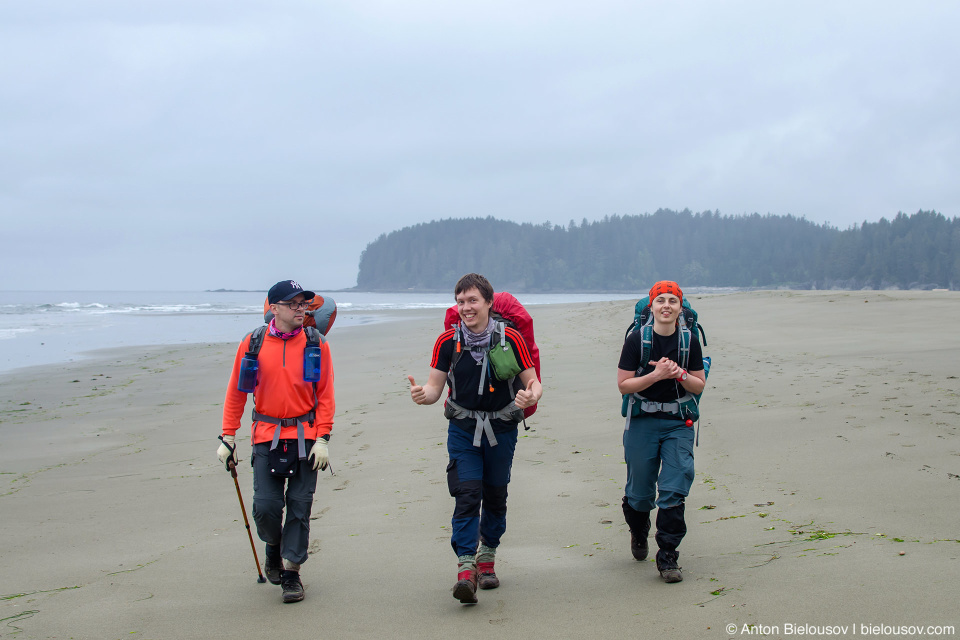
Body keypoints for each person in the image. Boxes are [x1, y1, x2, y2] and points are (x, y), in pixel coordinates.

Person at [408, 273, 542, 604]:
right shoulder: (447, 342)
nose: (466, 307)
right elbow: (435, 388)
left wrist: (530, 396)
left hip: (502, 429)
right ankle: (466, 568)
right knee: (467, 494)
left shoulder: (510, 338)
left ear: (488, 303)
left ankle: (488, 557)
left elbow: (533, 381)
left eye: (473, 301)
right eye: (461, 301)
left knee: (495, 496)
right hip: (463, 429)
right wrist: (422, 395)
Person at [217, 279, 335, 603]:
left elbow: (325, 396)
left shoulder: (317, 343)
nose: (301, 309)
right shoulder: (252, 343)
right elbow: (236, 393)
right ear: (274, 308)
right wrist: (228, 436)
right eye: (294, 304)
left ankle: (292, 573)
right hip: (266, 437)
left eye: (304, 304)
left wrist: (323, 437)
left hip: (306, 437)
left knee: (300, 507)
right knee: (267, 508)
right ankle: (273, 546)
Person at [616, 280, 706, 583]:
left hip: (679, 422)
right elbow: (623, 385)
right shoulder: (636, 340)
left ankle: (668, 556)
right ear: (651, 307)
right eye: (660, 301)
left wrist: (678, 372)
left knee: (674, 486)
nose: (666, 306)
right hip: (641, 421)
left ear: (680, 308)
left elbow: (699, 384)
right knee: (640, 493)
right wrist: (656, 375)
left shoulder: (689, 341)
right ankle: (639, 531)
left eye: (672, 301)